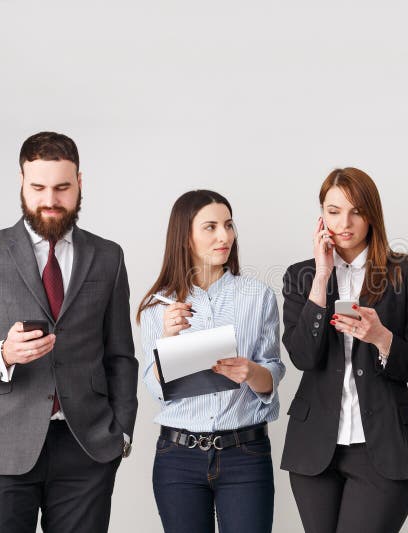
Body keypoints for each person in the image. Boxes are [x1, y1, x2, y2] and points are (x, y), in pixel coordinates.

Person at [0, 131, 138, 533]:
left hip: (87, 446)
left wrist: (121, 432)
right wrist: (3, 354)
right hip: (2, 446)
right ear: (21, 182)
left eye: (62, 188)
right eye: (38, 187)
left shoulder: (108, 256)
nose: (50, 200)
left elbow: (120, 355)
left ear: (80, 183)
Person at [281, 167, 408, 533]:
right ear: (321, 216)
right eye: (333, 211)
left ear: (372, 215)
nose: (344, 222)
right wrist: (321, 275)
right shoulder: (300, 276)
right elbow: (303, 357)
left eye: (356, 211)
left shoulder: (407, 273)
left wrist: (382, 338)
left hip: (382, 447)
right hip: (314, 450)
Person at [137, 190, 285, 533]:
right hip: (178, 458)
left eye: (229, 225)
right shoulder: (157, 307)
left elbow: (273, 371)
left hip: (245, 454)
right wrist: (169, 339)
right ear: (185, 236)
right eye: (211, 227)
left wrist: (252, 372)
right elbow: (154, 387)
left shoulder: (258, 296)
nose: (225, 236)